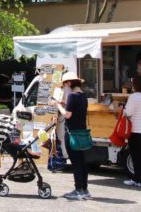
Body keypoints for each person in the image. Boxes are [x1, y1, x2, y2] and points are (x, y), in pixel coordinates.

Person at [51, 71, 90, 200]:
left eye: (66, 83)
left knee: (76, 163)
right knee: (82, 162)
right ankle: (84, 189)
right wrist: (63, 104)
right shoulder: (83, 95)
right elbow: (74, 109)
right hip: (82, 133)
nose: (66, 86)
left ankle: (78, 190)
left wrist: (58, 105)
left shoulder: (73, 96)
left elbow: (68, 115)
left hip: (72, 133)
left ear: (70, 82)